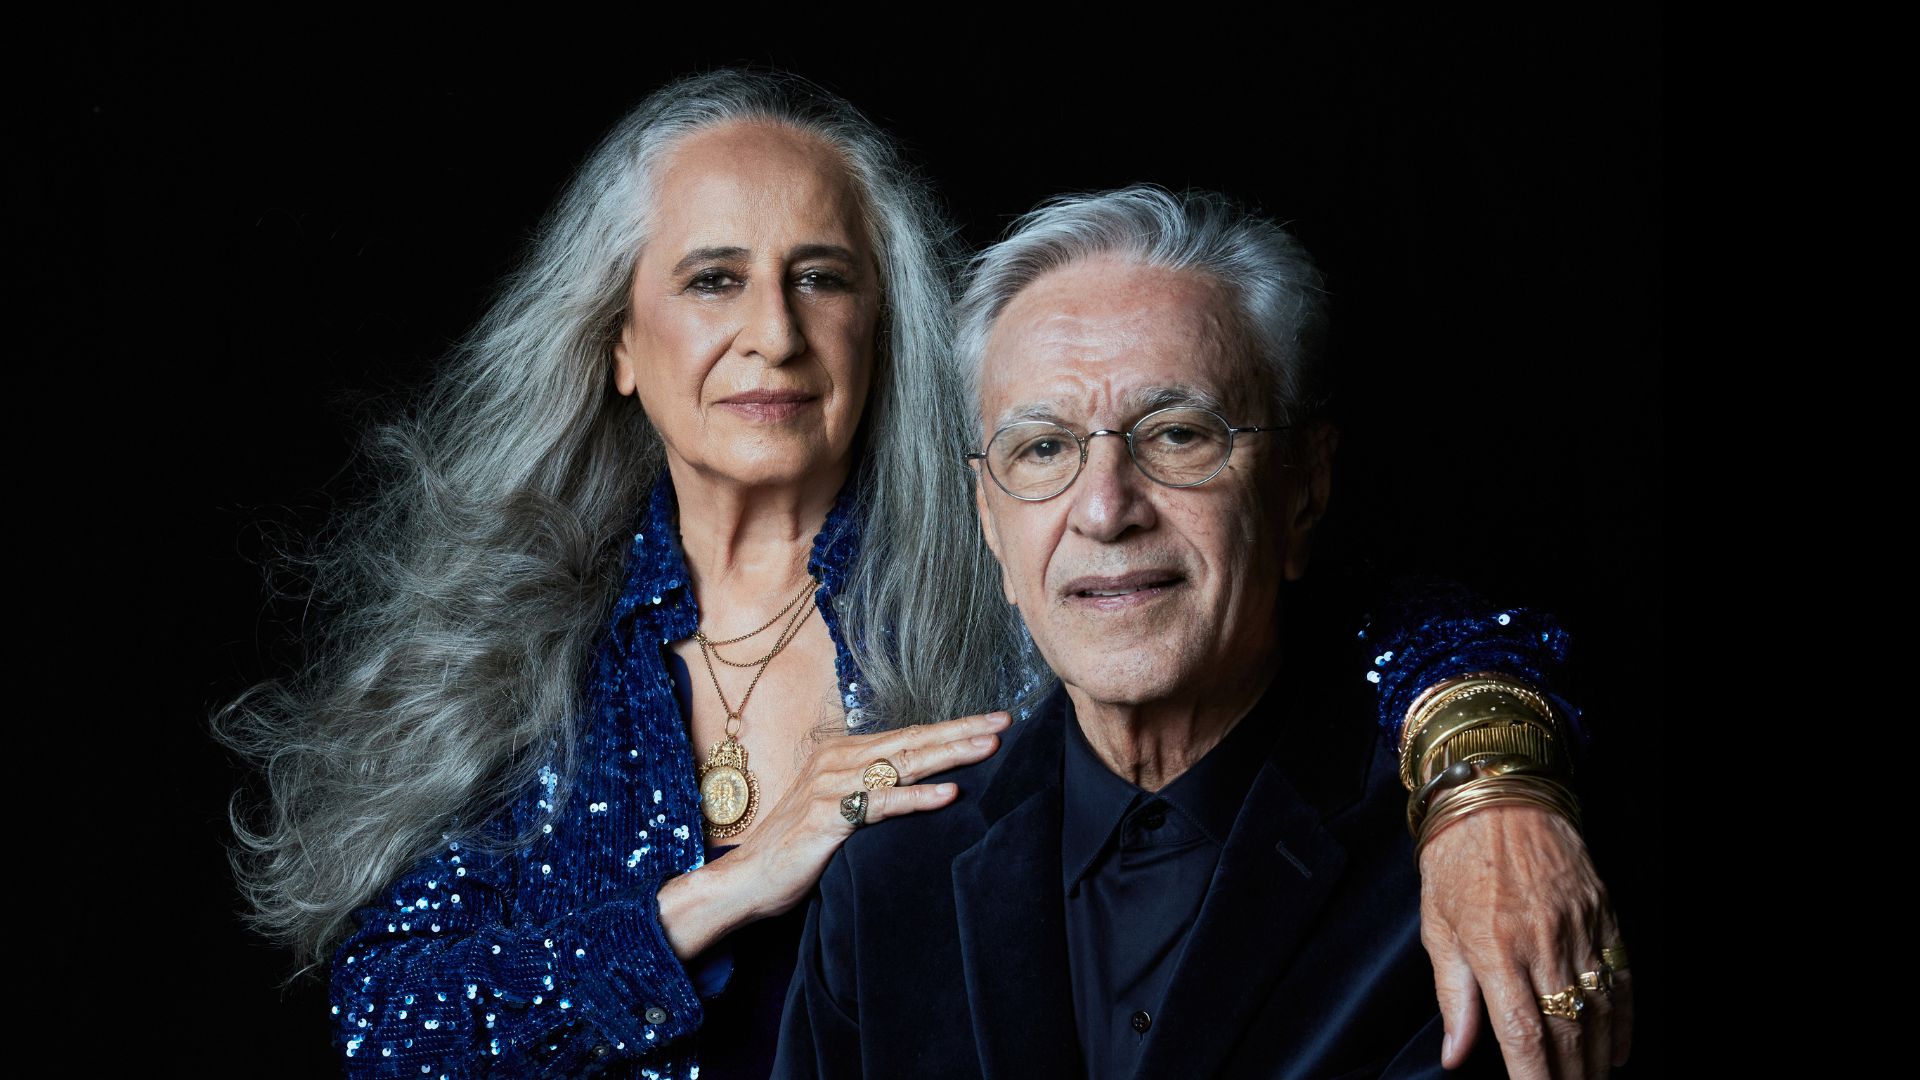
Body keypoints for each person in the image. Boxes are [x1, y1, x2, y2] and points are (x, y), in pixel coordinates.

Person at [217, 72, 1622, 1078]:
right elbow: (390, 1020)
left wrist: (1487, 783)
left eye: (822, 277)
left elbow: (1327, 609)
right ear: (616, 348)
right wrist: (724, 890)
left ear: (886, 326)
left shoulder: (1024, 561)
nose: (772, 332)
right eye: (712, 280)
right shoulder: (519, 662)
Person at [776, 186, 1626, 1079]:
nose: (1104, 510)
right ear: (989, 518)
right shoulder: (886, 887)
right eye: (1043, 449)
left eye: (1178, 435)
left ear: (1304, 488)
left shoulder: (1472, 872)